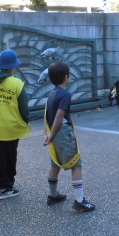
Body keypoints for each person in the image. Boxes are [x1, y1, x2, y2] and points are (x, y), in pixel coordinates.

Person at [43, 61, 95, 212]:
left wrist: (47, 135)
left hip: (52, 132)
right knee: (76, 165)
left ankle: (53, 195)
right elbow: (59, 116)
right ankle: (79, 200)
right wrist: (52, 134)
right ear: (66, 77)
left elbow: (47, 115)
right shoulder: (65, 95)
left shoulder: (51, 94)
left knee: (55, 164)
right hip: (62, 133)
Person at [0, 49, 30, 200]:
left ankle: (2, 185)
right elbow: (24, 110)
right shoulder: (17, 84)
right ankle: (6, 186)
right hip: (12, 127)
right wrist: (24, 122)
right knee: (10, 156)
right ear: (13, 66)